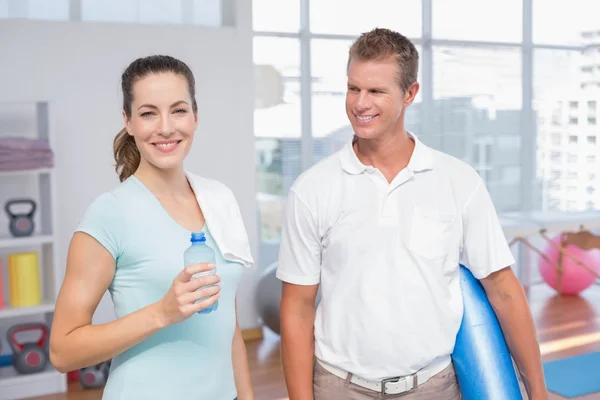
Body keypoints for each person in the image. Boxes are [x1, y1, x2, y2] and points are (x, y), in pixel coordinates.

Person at [276, 28, 547, 400]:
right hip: (338, 386)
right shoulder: (312, 189)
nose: (360, 103)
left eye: (376, 91)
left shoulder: (458, 181)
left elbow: (505, 292)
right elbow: (297, 307)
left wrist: (539, 391)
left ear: (410, 93)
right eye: (353, 88)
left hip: (434, 386)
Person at [49, 55, 254, 400]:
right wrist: (161, 313)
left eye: (178, 110)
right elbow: (61, 351)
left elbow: (228, 327)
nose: (165, 127)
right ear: (128, 122)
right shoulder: (109, 214)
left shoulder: (220, 199)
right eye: (148, 113)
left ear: (195, 116)